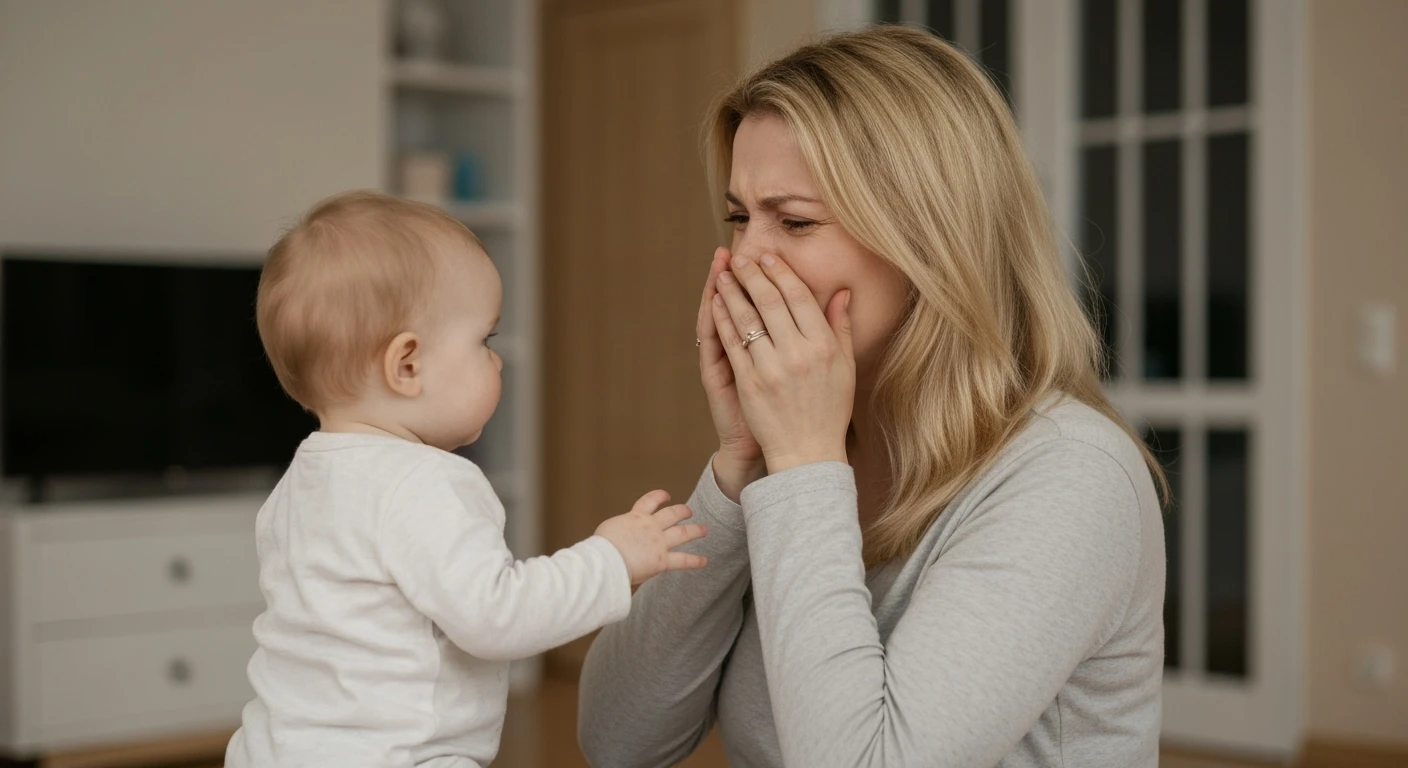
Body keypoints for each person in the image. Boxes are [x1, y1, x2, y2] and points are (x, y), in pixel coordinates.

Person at [578, 25, 1166, 767]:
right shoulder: (801, 451)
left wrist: (802, 467)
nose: (743, 259)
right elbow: (618, 742)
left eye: (794, 221)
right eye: (739, 217)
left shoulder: (1072, 475)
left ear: (931, 240)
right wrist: (739, 467)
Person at [225, 191, 707, 768]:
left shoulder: (299, 483)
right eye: (485, 340)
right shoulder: (424, 483)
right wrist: (610, 559)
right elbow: (496, 616)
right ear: (407, 365)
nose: (497, 360)